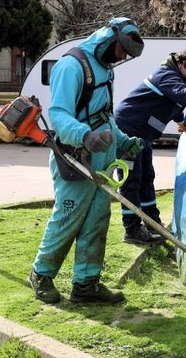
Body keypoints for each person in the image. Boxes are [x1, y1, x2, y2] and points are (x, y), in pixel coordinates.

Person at [28, 18, 145, 304]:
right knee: (68, 216)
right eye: (121, 50)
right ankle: (40, 274)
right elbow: (59, 114)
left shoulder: (105, 69)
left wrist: (122, 141)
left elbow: (105, 115)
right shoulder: (71, 66)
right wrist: (84, 136)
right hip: (74, 156)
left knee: (97, 220)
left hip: (101, 159)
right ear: (108, 38)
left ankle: (86, 283)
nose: (122, 57)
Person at [113, 48, 186, 245]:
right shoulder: (166, 75)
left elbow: (174, 102)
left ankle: (152, 223)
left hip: (143, 135)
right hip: (128, 130)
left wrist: (180, 120)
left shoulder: (177, 77)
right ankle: (131, 229)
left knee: (147, 177)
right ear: (180, 64)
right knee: (131, 180)